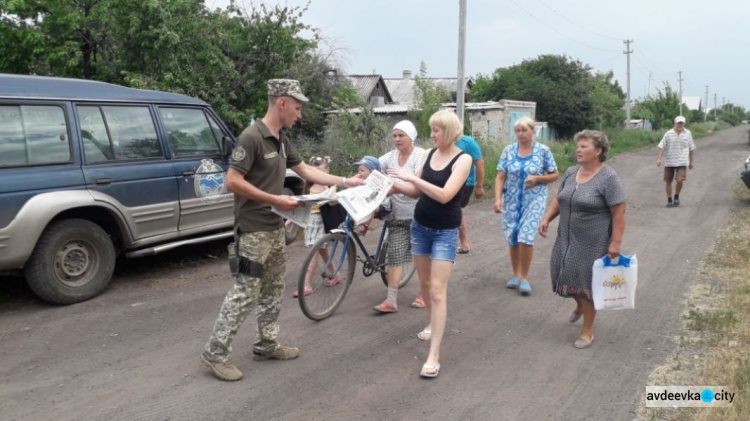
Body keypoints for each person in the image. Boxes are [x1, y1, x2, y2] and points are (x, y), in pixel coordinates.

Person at [200, 79, 364, 381]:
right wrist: (274, 198)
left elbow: (306, 171)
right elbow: (232, 181)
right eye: (297, 108)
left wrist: (345, 181)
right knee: (245, 291)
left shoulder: (281, 139)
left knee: (274, 288)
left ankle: (266, 344)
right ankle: (216, 352)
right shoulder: (252, 137)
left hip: (274, 227)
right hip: (252, 229)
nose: (299, 115)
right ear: (282, 103)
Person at [388, 109, 472, 378]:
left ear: (448, 131)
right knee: (425, 287)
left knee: (436, 291)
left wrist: (412, 177)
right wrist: (394, 185)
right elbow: (417, 192)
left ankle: (433, 355)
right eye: (432, 129)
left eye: (436, 130)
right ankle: (431, 325)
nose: (432, 134)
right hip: (420, 227)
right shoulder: (429, 154)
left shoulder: (463, 158)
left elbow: (446, 195)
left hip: (445, 232)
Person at [538, 130, 626, 349]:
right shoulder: (570, 172)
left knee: (587, 286)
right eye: (578, 145)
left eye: (584, 146)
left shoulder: (609, 178)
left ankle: (587, 331)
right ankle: (579, 305)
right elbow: (559, 198)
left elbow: (619, 213)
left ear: (599, 151)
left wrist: (615, 243)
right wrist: (547, 218)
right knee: (560, 275)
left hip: (592, 243)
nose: (578, 149)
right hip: (566, 239)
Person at [494, 117, 559, 296]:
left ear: (533, 131)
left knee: (525, 236)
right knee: (513, 236)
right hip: (512, 200)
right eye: (518, 131)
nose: (521, 134)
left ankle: (524, 277)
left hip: (534, 199)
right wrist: (498, 199)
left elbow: (554, 174)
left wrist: (538, 178)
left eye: (524, 130)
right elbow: (500, 177)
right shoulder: (508, 151)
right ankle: (515, 274)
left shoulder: (543, 151)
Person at [373, 121, 426, 313]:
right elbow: (373, 165)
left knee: (421, 257)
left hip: (420, 216)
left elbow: (420, 185)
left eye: (401, 135)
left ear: (411, 136)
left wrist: (395, 185)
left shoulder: (421, 155)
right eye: (394, 135)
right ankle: (391, 301)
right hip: (397, 216)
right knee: (394, 255)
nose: (396, 139)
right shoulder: (390, 157)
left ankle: (424, 293)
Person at [292, 156, 340, 298]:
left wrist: (333, 191)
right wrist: (291, 220)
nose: (317, 175)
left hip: (321, 221)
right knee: (322, 250)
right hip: (310, 222)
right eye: (314, 171)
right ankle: (335, 274)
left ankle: (306, 284)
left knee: (314, 252)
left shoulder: (327, 186)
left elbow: (333, 202)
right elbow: (303, 205)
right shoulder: (308, 186)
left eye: (320, 171)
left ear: (327, 171)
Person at [455, 134, 485, 254]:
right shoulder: (446, 140)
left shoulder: (468, 142)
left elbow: (479, 164)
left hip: (466, 182)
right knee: (455, 210)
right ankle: (461, 243)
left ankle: (464, 244)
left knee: (457, 210)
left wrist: (480, 186)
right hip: (451, 181)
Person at [656, 115, 696, 207]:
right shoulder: (668, 134)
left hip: (682, 161)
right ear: (675, 123)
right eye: (678, 123)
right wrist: (659, 158)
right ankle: (669, 199)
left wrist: (691, 162)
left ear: (684, 123)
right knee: (668, 181)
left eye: (681, 123)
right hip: (669, 161)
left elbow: (691, 148)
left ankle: (677, 195)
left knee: (679, 180)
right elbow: (661, 146)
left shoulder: (688, 133)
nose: (680, 125)